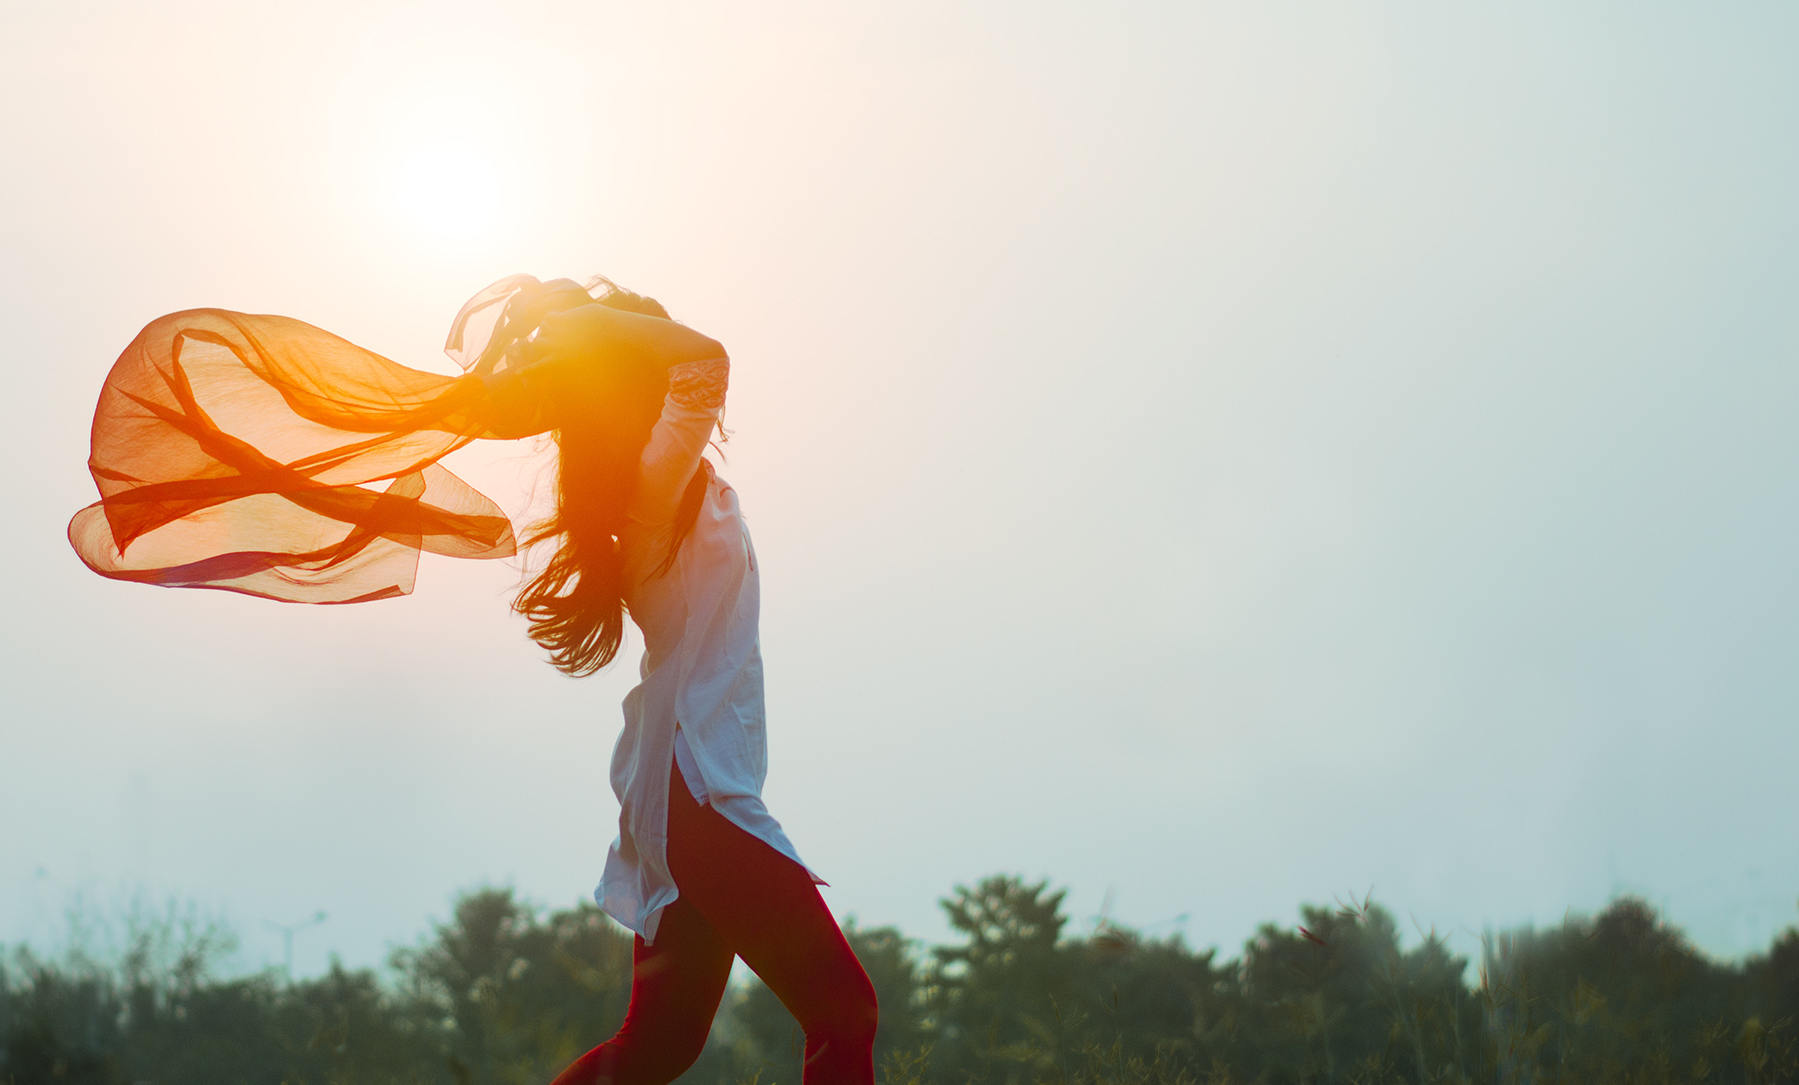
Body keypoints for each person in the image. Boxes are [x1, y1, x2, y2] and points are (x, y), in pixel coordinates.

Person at [68, 276, 879, 1085]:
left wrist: (591, 329)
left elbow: (686, 365)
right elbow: (705, 360)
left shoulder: (652, 482)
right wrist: (592, 324)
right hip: (696, 787)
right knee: (842, 1011)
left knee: (659, 1046)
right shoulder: (652, 480)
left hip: (688, 786)